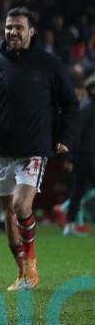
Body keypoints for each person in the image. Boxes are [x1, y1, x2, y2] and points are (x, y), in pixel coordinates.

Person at [0, 6, 78, 290]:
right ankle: (21, 272)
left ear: (32, 31)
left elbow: (70, 103)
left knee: (21, 206)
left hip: (34, 148)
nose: (12, 32)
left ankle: (31, 263)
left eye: (18, 27)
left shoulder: (49, 64)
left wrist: (65, 137)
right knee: (7, 211)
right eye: (9, 27)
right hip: (1, 149)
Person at [62, 74, 95, 237]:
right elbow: (75, 133)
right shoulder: (88, 107)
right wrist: (69, 157)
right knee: (78, 191)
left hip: (84, 156)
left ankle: (69, 225)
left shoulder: (87, 106)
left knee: (78, 191)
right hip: (87, 157)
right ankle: (68, 222)